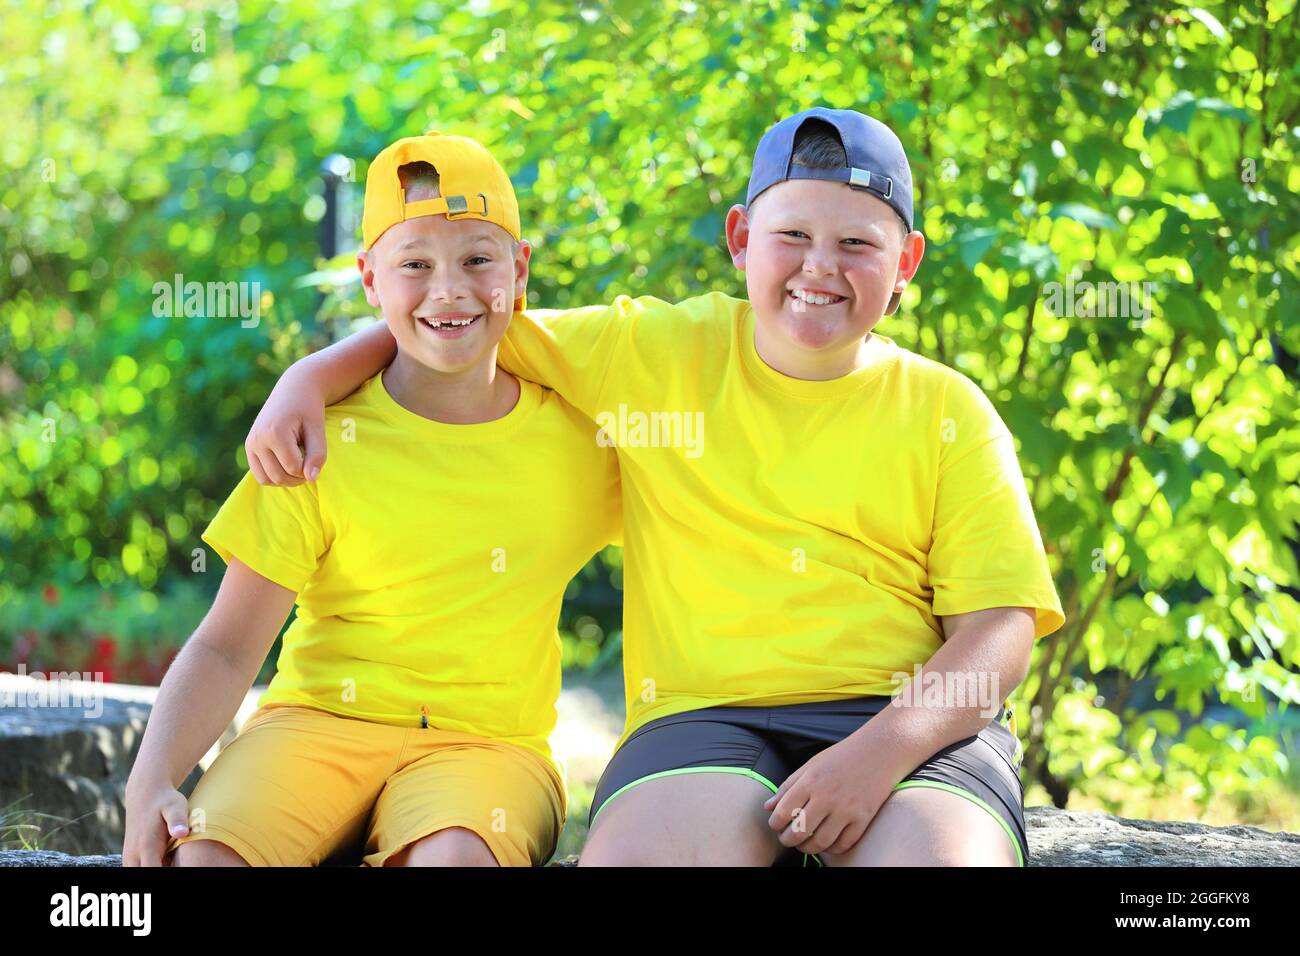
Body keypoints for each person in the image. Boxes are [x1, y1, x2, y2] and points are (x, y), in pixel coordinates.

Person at [243, 108, 1065, 866]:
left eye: (857, 245)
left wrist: (880, 753)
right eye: (793, 236)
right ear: (741, 237)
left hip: (905, 720)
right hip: (702, 719)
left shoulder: (948, 409)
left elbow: (999, 629)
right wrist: (309, 377)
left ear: (906, 263)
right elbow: (457, 318)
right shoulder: (656, 351)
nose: (821, 268)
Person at [122, 131, 620, 867]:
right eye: (414, 264)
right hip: (314, 727)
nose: (448, 289)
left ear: (519, 271)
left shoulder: (582, 441)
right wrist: (150, 782)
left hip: (487, 750)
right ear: (368, 279)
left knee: (452, 862)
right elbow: (227, 647)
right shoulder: (315, 439)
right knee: (206, 859)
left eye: (477, 259)